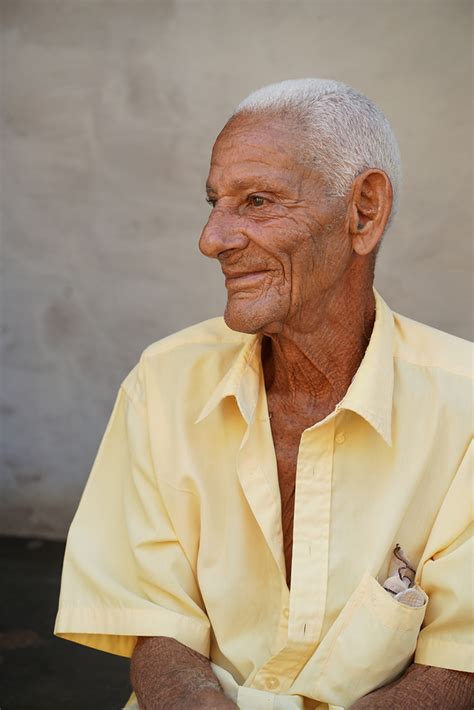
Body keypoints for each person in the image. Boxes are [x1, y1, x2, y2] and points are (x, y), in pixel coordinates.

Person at [55, 79, 473, 709]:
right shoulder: (164, 382)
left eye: (256, 201)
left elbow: (458, 668)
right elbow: (155, 622)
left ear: (364, 211)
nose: (212, 239)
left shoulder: (463, 407)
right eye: (214, 203)